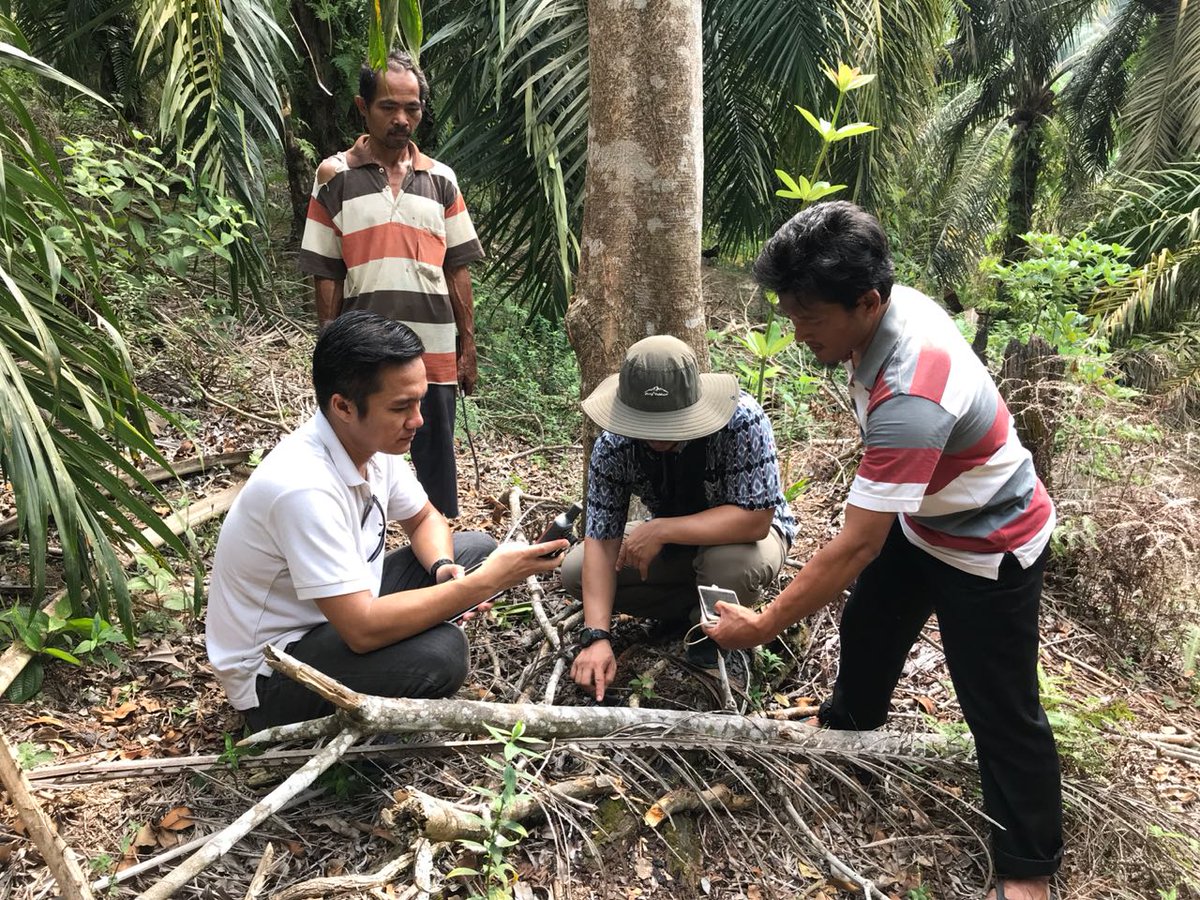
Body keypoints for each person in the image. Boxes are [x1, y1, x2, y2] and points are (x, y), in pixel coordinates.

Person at [707, 201, 1061, 900]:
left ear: (867, 302)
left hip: (991, 544)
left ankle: (1030, 870)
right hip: (928, 518)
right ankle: (851, 730)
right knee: (870, 624)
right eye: (791, 312)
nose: (798, 331)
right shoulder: (879, 315)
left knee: (1000, 705)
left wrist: (762, 625)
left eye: (809, 318)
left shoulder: (911, 389)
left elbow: (852, 546)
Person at [205, 312, 566, 730]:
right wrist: (485, 583)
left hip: (337, 613)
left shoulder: (371, 446)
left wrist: (444, 570)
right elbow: (359, 629)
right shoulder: (302, 486)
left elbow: (424, 517)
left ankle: (418, 620)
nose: (418, 420)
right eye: (401, 407)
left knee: (473, 550)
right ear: (342, 405)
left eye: (420, 401)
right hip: (275, 675)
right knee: (443, 654)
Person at [299, 49, 483, 518]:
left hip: (435, 351)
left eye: (413, 108)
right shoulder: (334, 176)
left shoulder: (441, 179)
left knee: (436, 455)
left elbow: (457, 268)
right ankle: (364, 554)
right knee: (366, 458)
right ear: (363, 107)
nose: (402, 119)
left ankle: (444, 560)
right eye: (388, 107)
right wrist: (330, 347)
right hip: (365, 353)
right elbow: (327, 272)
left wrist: (468, 347)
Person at [565, 335, 796, 702]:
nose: (658, 436)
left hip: (744, 539)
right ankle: (693, 608)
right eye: (647, 423)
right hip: (676, 545)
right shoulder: (615, 445)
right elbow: (602, 538)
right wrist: (597, 636)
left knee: (728, 562)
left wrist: (661, 528)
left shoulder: (741, 422)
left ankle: (714, 640)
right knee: (576, 570)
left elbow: (756, 520)